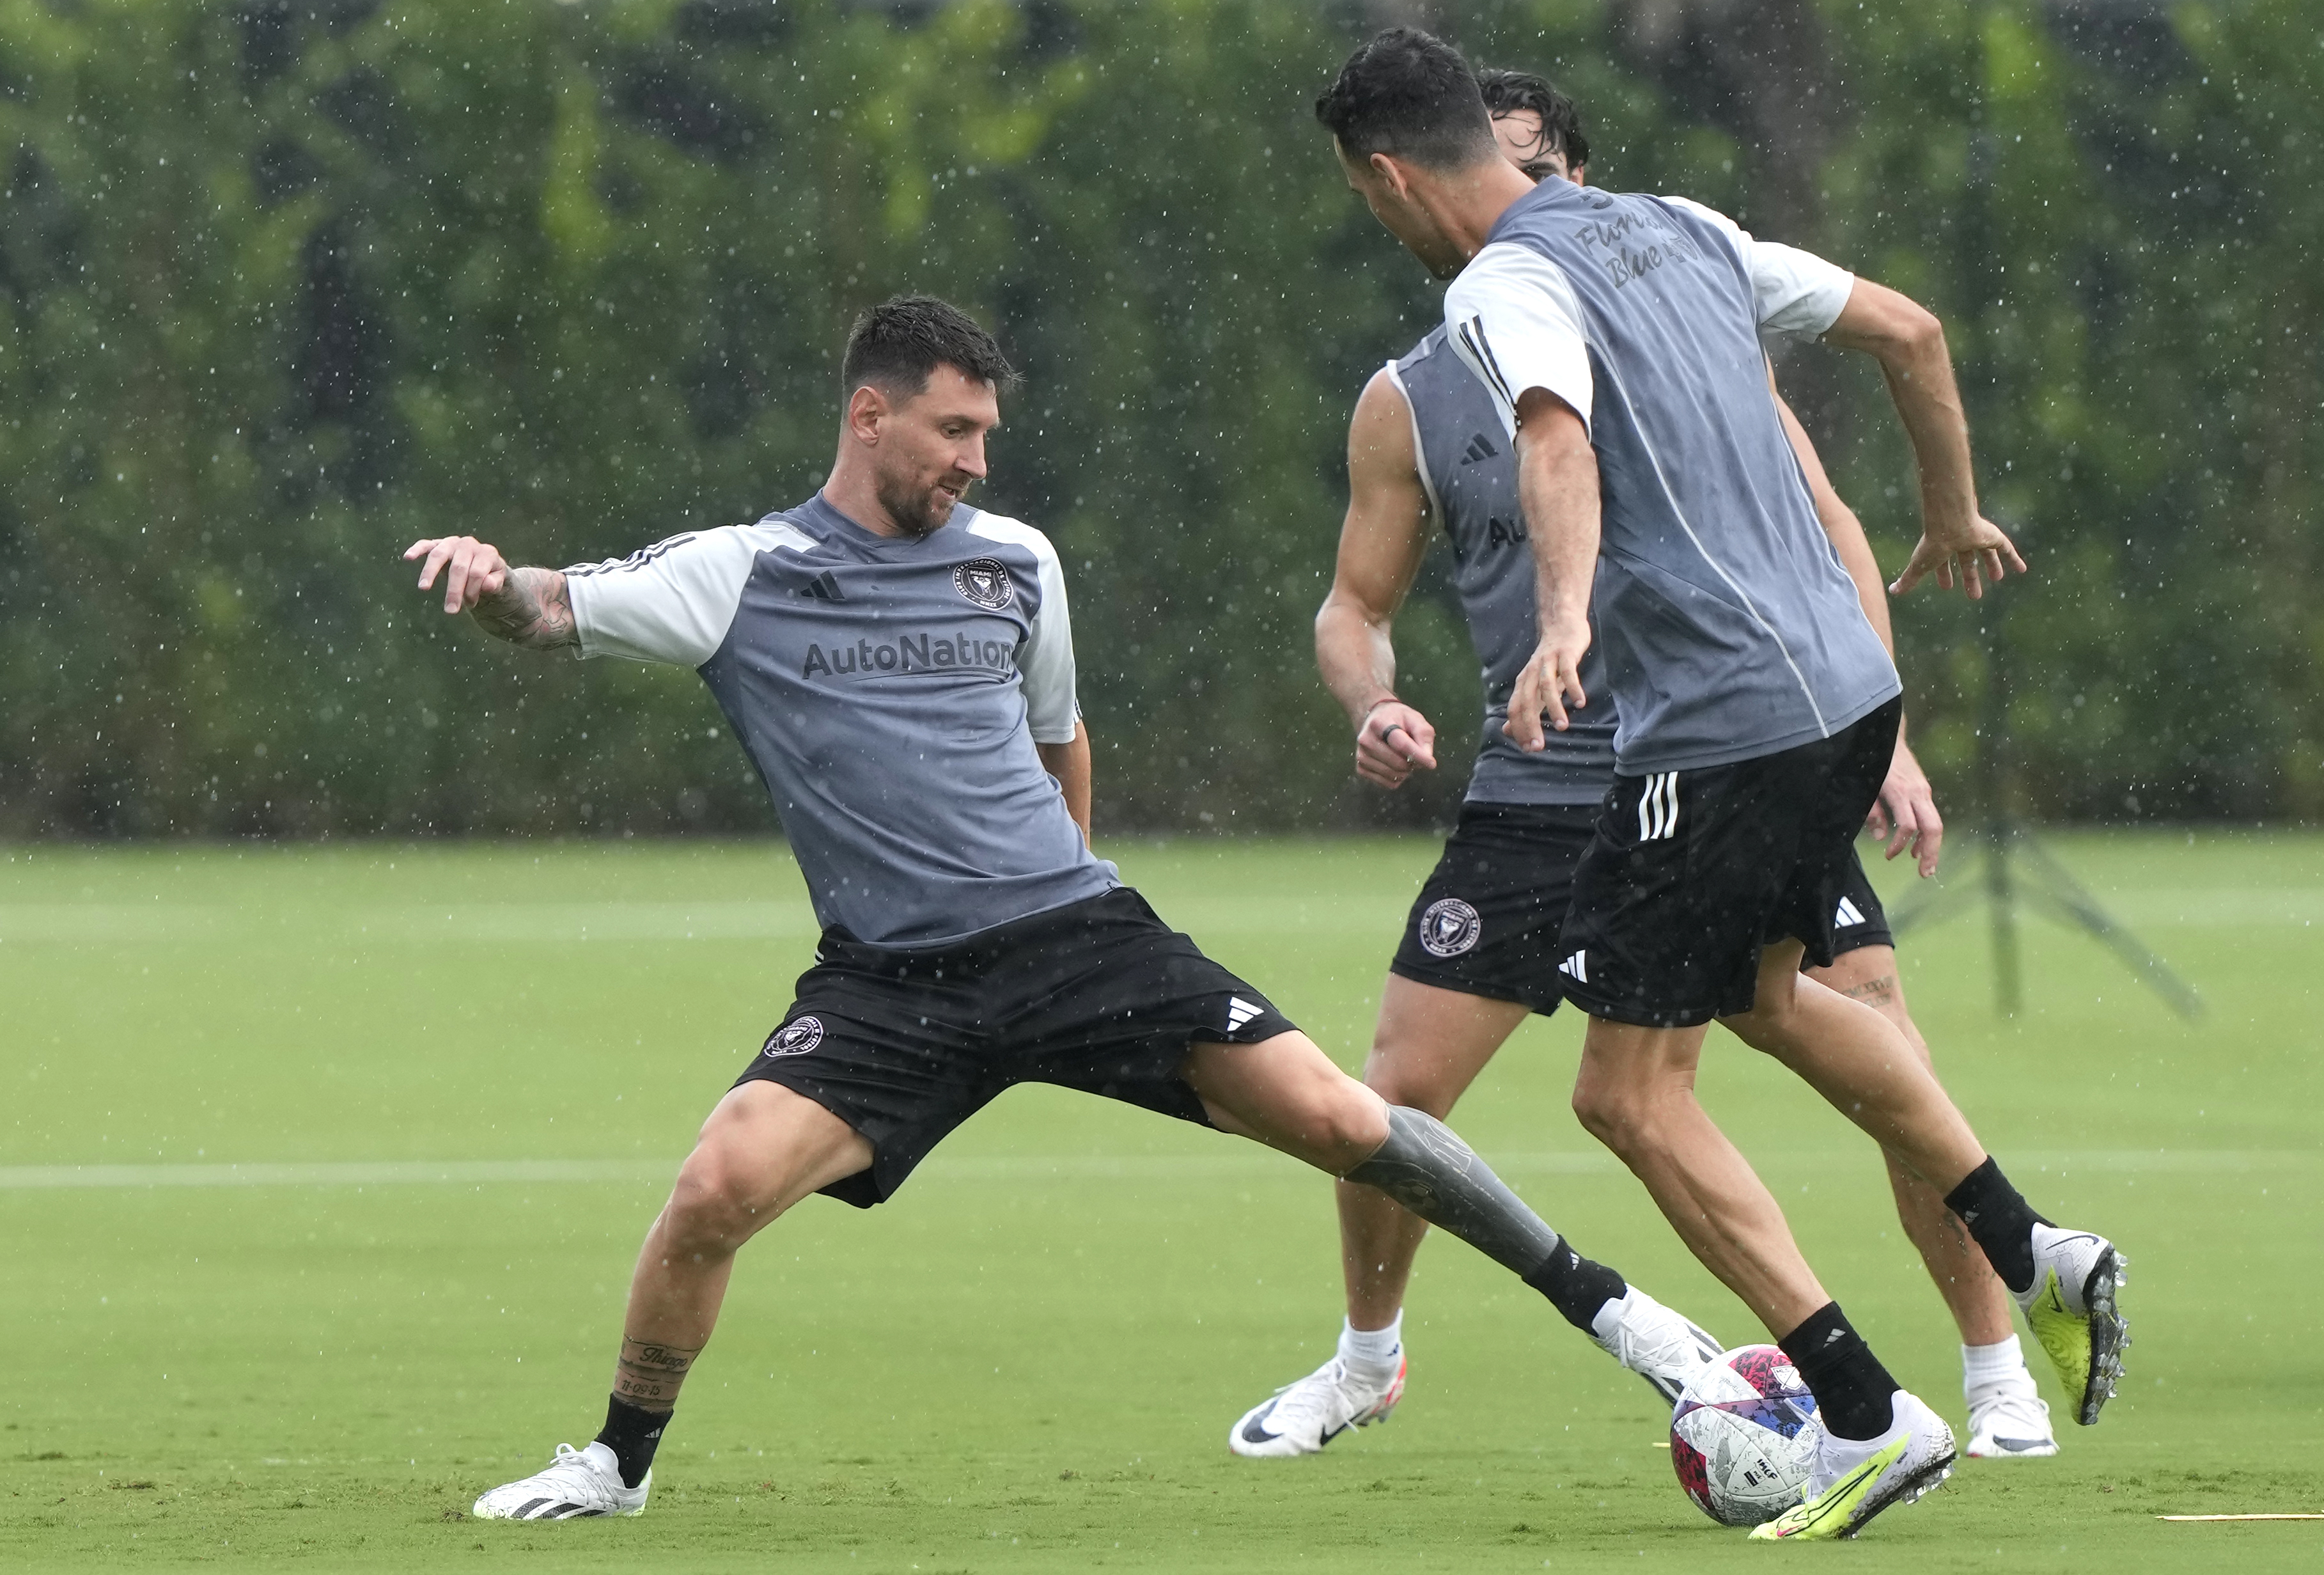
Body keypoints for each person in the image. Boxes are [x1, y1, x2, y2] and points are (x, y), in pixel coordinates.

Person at [410, 295, 1726, 1523]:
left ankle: (1631, 1324)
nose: (978, 460)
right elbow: (549, 606)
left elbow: (1060, 739)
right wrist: (484, 580)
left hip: (1075, 939)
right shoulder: (740, 572)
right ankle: (614, 1464)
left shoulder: (1018, 563)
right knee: (714, 1188)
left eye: (987, 431)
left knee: (1345, 1118)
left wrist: (1066, 906)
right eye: (954, 429)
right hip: (890, 985)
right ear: (868, 416)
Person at [1315, 31, 2128, 1540]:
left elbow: (1552, 444)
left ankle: (1866, 1413)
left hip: (1714, 724)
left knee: (1624, 1093)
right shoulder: (1677, 224)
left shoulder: (1493, 287)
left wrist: (1561, 620)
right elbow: (1910, 329)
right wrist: (1947, 511)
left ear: (1385, 176)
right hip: (1843, 692)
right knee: (1767, 998)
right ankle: (2034, 1246)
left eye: (1368, 203)